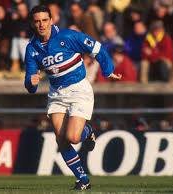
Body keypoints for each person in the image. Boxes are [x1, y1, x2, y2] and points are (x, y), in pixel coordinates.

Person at [24, 5, 121, 190]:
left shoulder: (68, 36)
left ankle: (87, 132)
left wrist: (108, 70)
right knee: (61, 139)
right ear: (32, 23)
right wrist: (31, 81)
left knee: (73, 137)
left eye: (45, 20)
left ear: (51, 21)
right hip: (56, 94)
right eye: (37, 21)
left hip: (78, 90)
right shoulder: (31, 49)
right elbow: (31, 86)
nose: (41, 24)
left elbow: (97, 48)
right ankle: (83, 180)